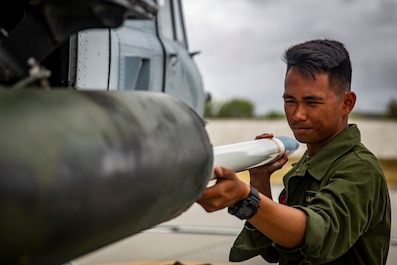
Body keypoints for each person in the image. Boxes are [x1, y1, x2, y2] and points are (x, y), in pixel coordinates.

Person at [197, 39, 391, 264]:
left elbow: (316, 236)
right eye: (290, 100)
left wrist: (244, 198)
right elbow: (274, 248)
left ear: (347, 103)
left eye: (312, 102)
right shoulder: (310, 162)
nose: (297, 114)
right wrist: (259, 179)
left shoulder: (360, 169)